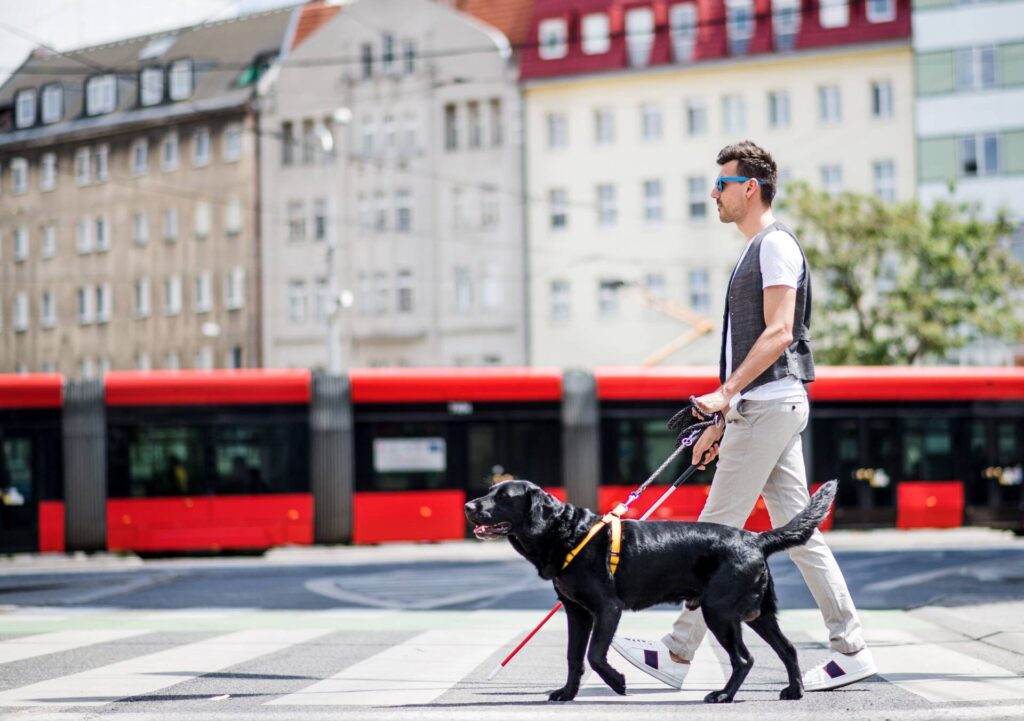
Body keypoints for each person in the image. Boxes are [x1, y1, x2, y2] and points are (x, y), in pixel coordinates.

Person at [611, 141, 876, 692]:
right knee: (800, 535)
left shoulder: (775, 247)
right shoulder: (756, 249)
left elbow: (779, 332)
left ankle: (677, 654)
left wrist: (723, 394)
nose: (714, 193)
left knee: (715, 530)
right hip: (764, 406)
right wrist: (722, 418)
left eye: (722, 184)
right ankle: (850, 648)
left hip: (769, 404)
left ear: (749, 187)